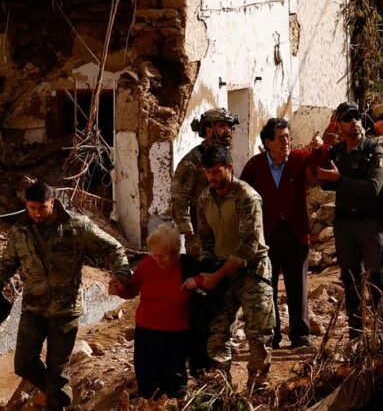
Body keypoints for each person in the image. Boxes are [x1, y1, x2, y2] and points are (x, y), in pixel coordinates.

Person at [0, 180, 133, 410]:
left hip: (65, 311)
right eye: (32, 208)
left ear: (53, 203)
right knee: (24, 363)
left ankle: (57, 400)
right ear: (26, 205)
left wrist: (121, 277)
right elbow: (6, 265)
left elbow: (113, 248)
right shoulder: (20, 232)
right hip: (33, 308)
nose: (37, 213)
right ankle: (62, 397)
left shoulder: (76, 226)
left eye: (42, 208)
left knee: (57, 371)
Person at [185, 144, 274, 390]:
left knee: (259, 333)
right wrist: (207, 265)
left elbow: (248, 246)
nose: (212, 178)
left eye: (216, 172)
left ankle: (259, 386)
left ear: (229, 169)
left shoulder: (248, 197)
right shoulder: (205, 198)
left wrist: (215, 276)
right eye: (208, 172)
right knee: (217, 333)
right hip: (222, 272)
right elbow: (205, 238)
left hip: (252, 272)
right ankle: (220, 389)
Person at [241, 118, 326, 349]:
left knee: (297, 285)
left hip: (295, 233)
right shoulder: (255, 166)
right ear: (268, 142)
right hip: (266, 236)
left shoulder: (298, 159)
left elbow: (319, 164)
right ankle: (273, 335)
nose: (286, 141)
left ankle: (300, 336)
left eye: (288, 136)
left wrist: (319, 147)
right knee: (267, 286)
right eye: (281, 137)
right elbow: (243, 195)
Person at [170, 107, 239, 374]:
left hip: (225, 243)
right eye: (222, 126)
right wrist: (191, 237)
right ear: (208, 130)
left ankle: (219, 360)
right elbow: (178, 201)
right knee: (203, 307)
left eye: (229, 126)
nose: (228, 131)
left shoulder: (225, 157)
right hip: (203, 246)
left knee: (224, 304)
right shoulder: (191, 162)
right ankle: (201, 365)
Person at [315, 102, 383, 339]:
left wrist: (340, 180)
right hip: (345, 225)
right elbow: (324, 181)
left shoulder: (373, 151)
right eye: (348, 118)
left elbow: (373, 187)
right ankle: (356, 336)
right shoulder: (337, 152)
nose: (354, 122)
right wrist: (319, 153)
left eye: (357, 117)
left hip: (370, 224)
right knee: (351, 282)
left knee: (377, 281)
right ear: (338, 125)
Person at [108, 225, 203, 399]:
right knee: (147, 380)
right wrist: (119, 289)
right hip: (147, 333)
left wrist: (197, 281)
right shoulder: (147, 265)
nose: (157, 259)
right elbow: (132, 291)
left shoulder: (188, 266)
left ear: (175, 253)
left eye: (163, 256)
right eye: (154, 254)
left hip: (178, 334)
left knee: (174, 381)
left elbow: (207, 287)